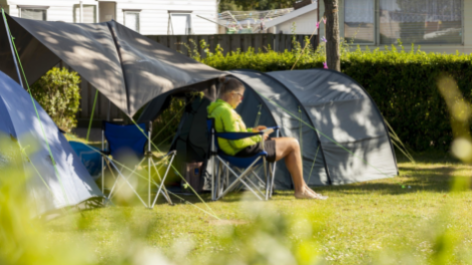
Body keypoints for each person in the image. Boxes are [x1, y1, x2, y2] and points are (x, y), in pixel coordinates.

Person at [207, 76, 328, 200]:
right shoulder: (227, 112)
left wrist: (253, 131)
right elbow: (237, 141)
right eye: (241, 96)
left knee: (289, 143)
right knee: (293, 143)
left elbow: (235, 133)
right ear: (232, 94)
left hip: (235, 151)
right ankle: (301, 189)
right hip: (243, 152)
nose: (241, 100)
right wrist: (258, 138)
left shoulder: (218, 109)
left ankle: (303, 188)